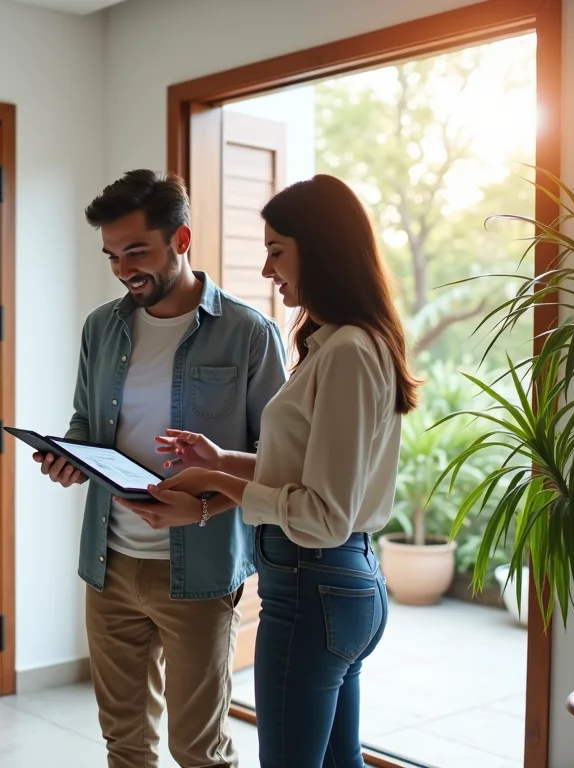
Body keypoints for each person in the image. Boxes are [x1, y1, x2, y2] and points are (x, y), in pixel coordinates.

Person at [126, 174, 421, 767]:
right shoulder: (341, 344)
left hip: (315, 583)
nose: (266, 270)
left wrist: (215, 484)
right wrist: (223, 459)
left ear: (323, 250)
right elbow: (314, 473)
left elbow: (322, 514)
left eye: (276, 251)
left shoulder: (348, 353)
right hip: (338, 582)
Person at [34, 169, 287, 768]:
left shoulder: (249, 334)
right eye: (113, 255)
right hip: (108, 564)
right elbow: (85, 422)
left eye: (136, 251)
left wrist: (203, 505)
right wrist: (67, 456)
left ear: (182, 239)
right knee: (125, 744)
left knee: (197, 749)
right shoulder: (102, 326)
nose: (123, 268)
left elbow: (279, 464)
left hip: (199, 570)